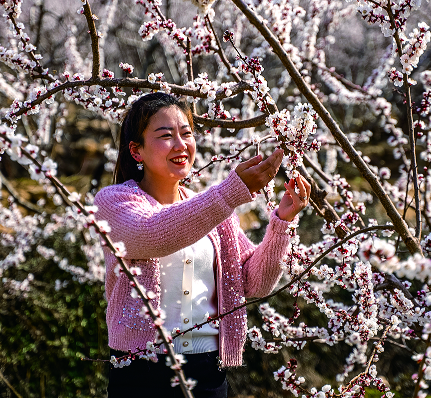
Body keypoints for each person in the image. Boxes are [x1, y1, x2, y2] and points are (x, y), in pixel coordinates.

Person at [94, 93, 310, 397]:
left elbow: (253, 283)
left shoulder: (213, 211)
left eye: (186, 134)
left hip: (208, 373)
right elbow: (153, 233)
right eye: (166, 136)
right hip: (140, 372)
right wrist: (233, 192)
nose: (181, 145)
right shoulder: (113, 203)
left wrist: (281, 223)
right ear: (136, 150)